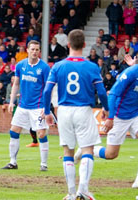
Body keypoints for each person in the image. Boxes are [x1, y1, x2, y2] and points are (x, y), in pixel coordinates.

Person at [77, 45, 138, 190]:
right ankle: (86, 150)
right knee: (111, 154)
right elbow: (114, 93)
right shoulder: (131, 72)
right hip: (120, 116)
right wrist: (110, 117)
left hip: (137, 115)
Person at [43, 29, 109, 200]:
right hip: (83, 110)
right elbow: (101, 91)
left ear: (68, 45)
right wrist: (106, 109)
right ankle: (83, 190)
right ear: (85, 45)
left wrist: (47, 111)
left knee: (68, 152)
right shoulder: (91, 66)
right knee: (87, 150)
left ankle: (71, 193)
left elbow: (47, 91)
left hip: (64, 110)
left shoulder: (58, 66)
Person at [1, 40, 50, 171]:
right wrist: (11, 102)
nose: (34, 52)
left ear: (39, 51)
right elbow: (16, 84)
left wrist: (46, 107)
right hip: (22, 106)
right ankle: (13, 162)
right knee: (14, 131)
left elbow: (48, 88)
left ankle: (44, 164)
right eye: (32, 49)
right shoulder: (20, 65)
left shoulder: (44, 67)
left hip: (38, 106)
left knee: (41, 134)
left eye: (37, 50)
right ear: (27, 50)